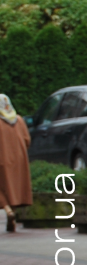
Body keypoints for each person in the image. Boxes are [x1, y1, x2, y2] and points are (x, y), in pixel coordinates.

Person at [0, 94, 32, 233]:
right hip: (19, 160)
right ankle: (11, 217)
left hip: (2, 158)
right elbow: (27, 140)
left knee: (2, 188)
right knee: (13, 187)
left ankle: (7, 210)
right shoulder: (19, 120)